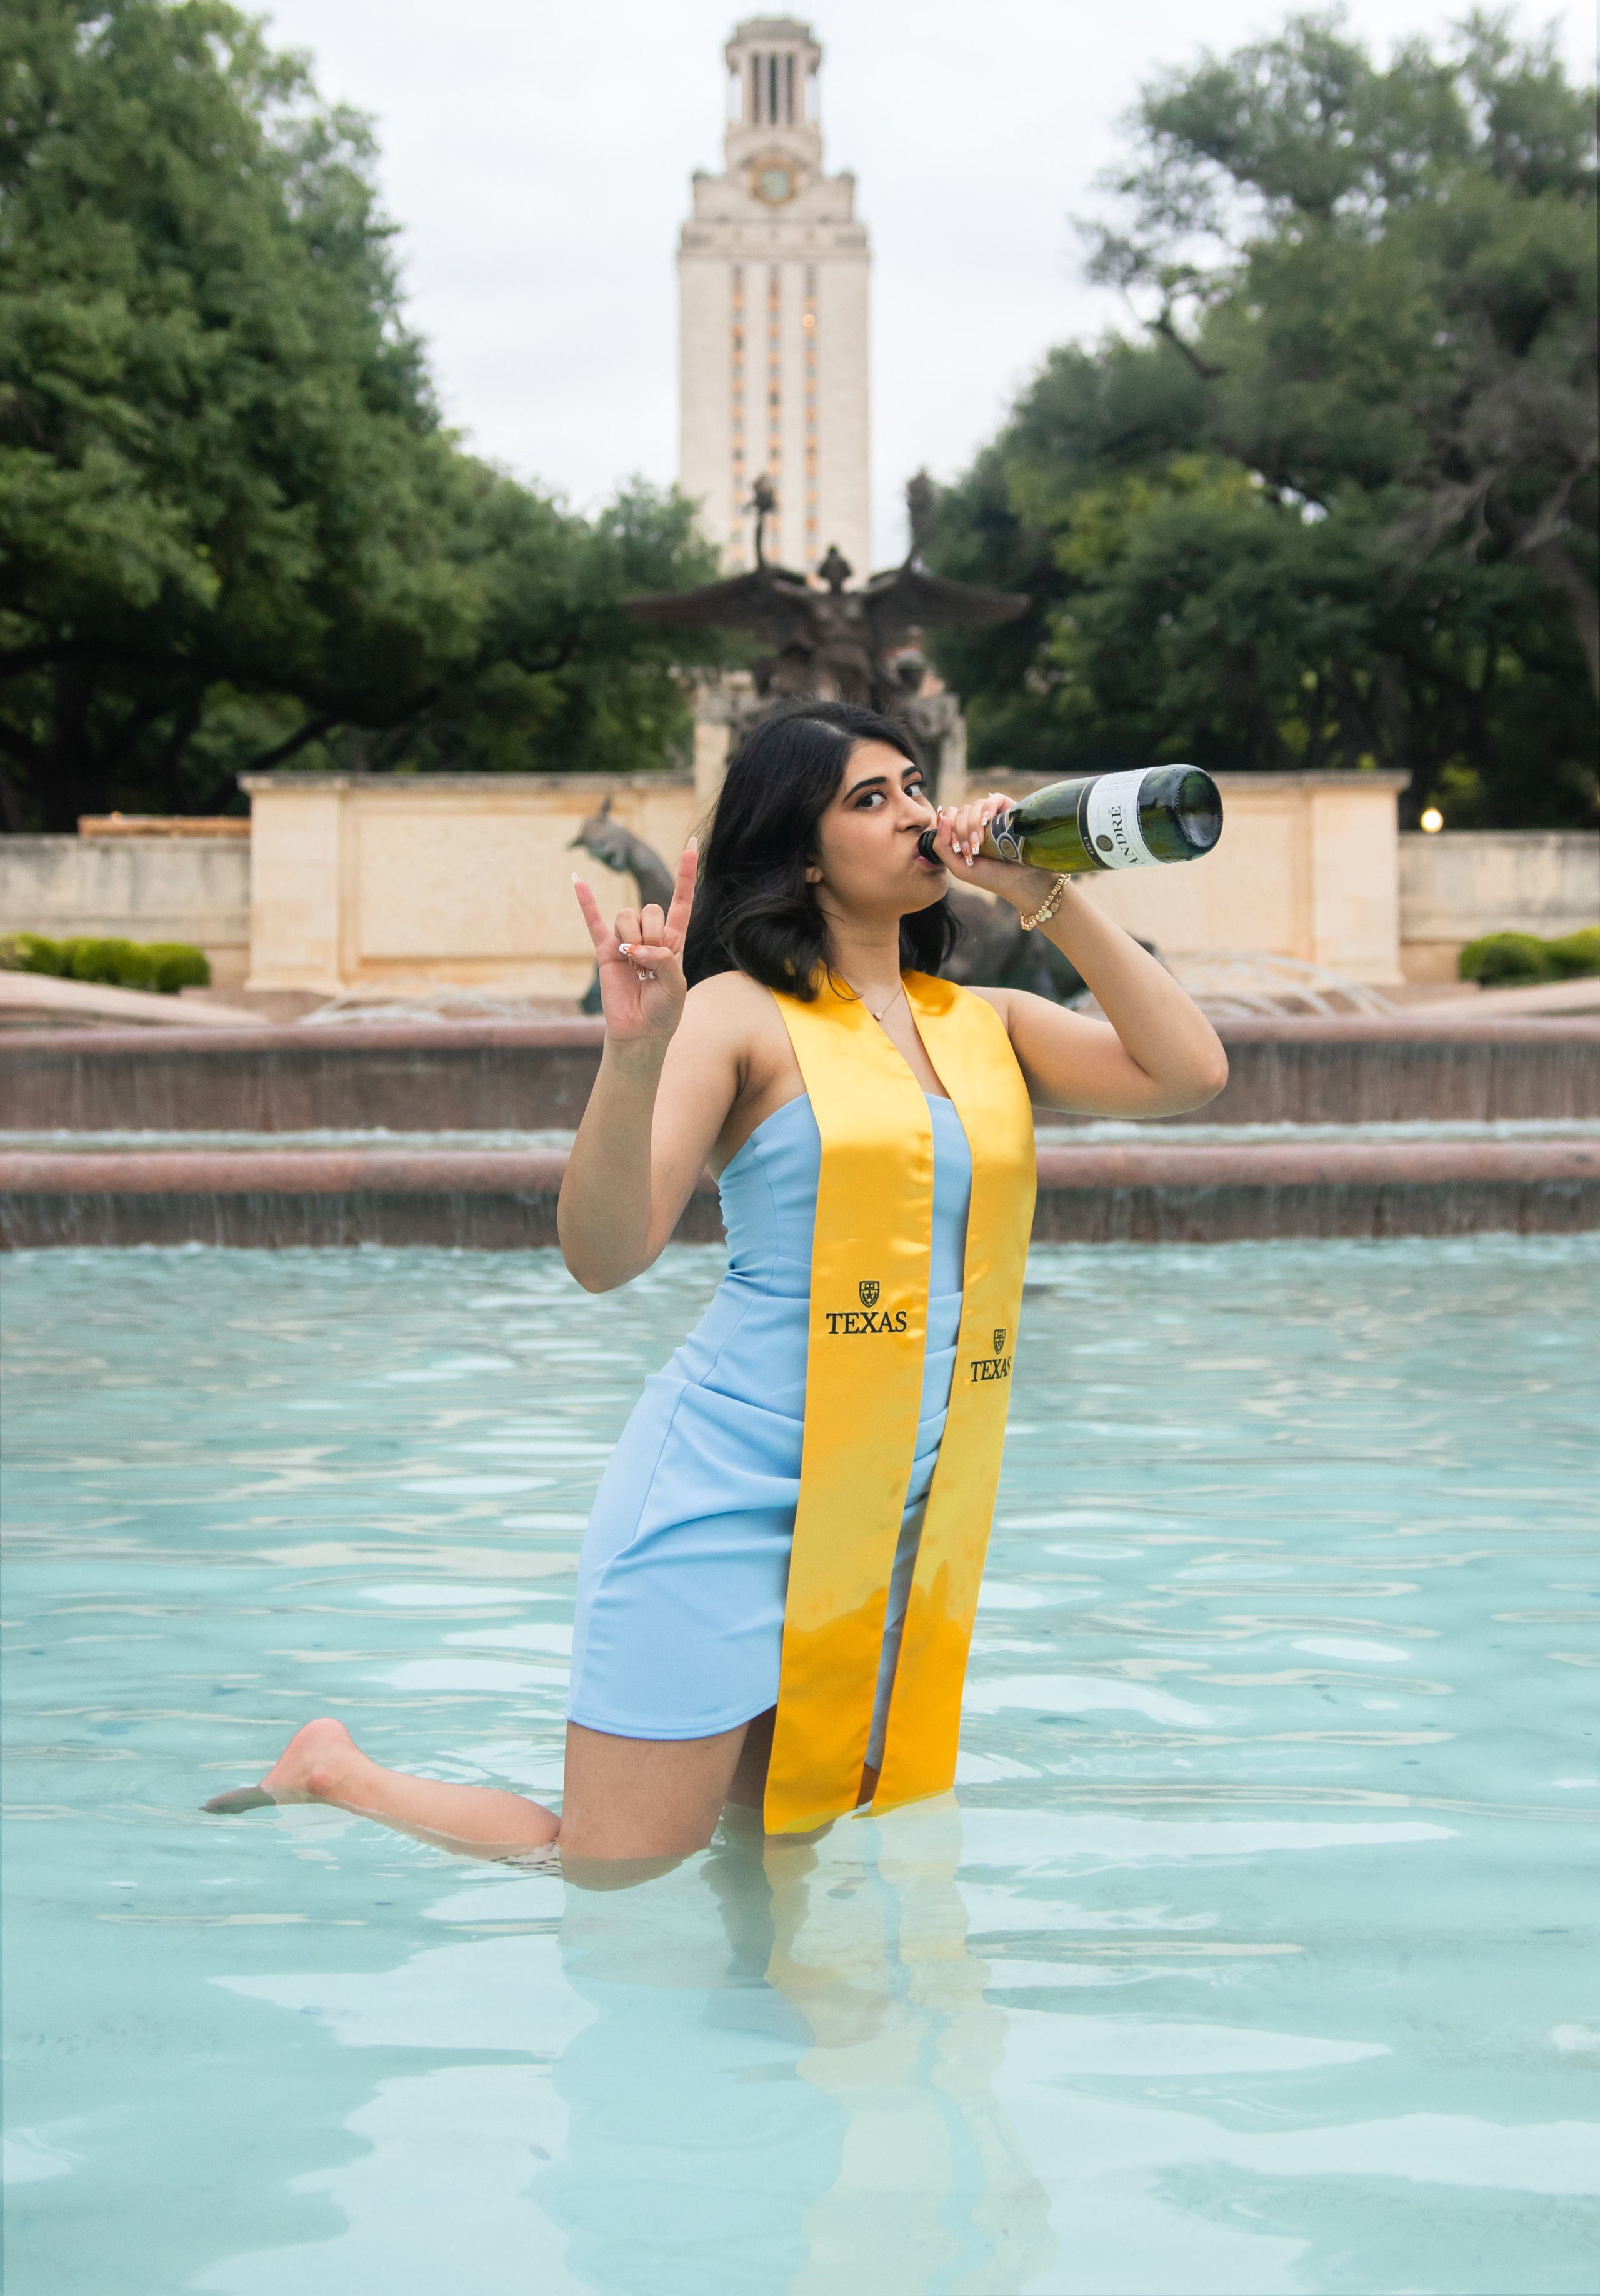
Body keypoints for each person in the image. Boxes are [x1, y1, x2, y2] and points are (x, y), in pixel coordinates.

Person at [204, 702, 1226, 1872]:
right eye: (869, 797)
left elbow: (1189, 1070)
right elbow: (604, 1253)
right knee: (612, 1862)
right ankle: (339, 1774)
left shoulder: (988, 1024)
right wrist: (632, 1057)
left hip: (884, 1508)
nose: (913, 812)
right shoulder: (742, 1015)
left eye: (912, 785)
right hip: (724, 1492)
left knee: (782, 1845)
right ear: (803, 853)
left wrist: (1039, 891)